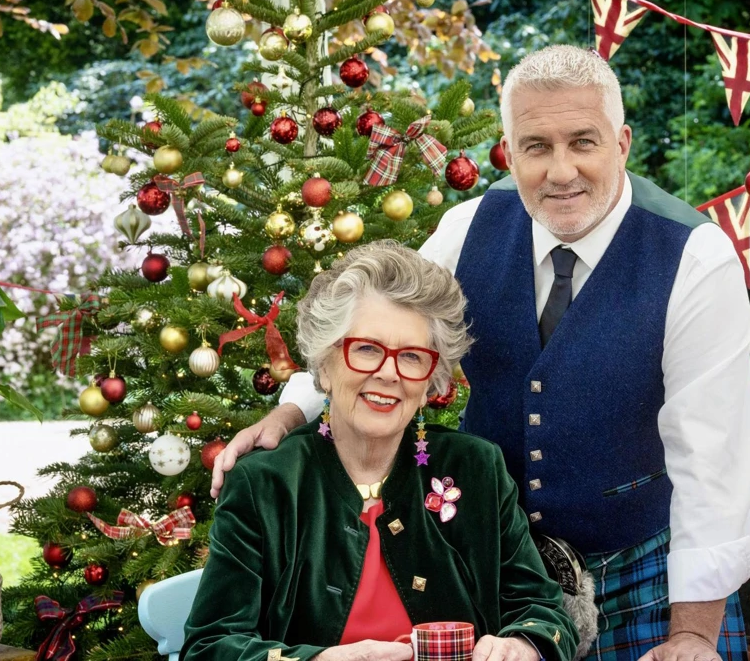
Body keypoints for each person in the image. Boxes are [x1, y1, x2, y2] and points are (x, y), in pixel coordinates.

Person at [214, 45, 750, 661]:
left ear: (623, 143)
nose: (560, 171)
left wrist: (692, 633)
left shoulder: (695, 257)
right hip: (495, 571)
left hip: (645, 570)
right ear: (509, 149)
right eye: (536, 146)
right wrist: (291, 413)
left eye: (583, 142)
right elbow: (375, 320)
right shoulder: (469, 225)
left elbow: (712, 458)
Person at [183, 241, 580, 661]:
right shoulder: (264, 483)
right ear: (324, 365)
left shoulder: (476, 468)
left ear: (430, 382)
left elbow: (544, 612)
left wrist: (522, 646)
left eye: (411, 356)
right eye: (367, 349)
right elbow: (209, 646)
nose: (388, 373)